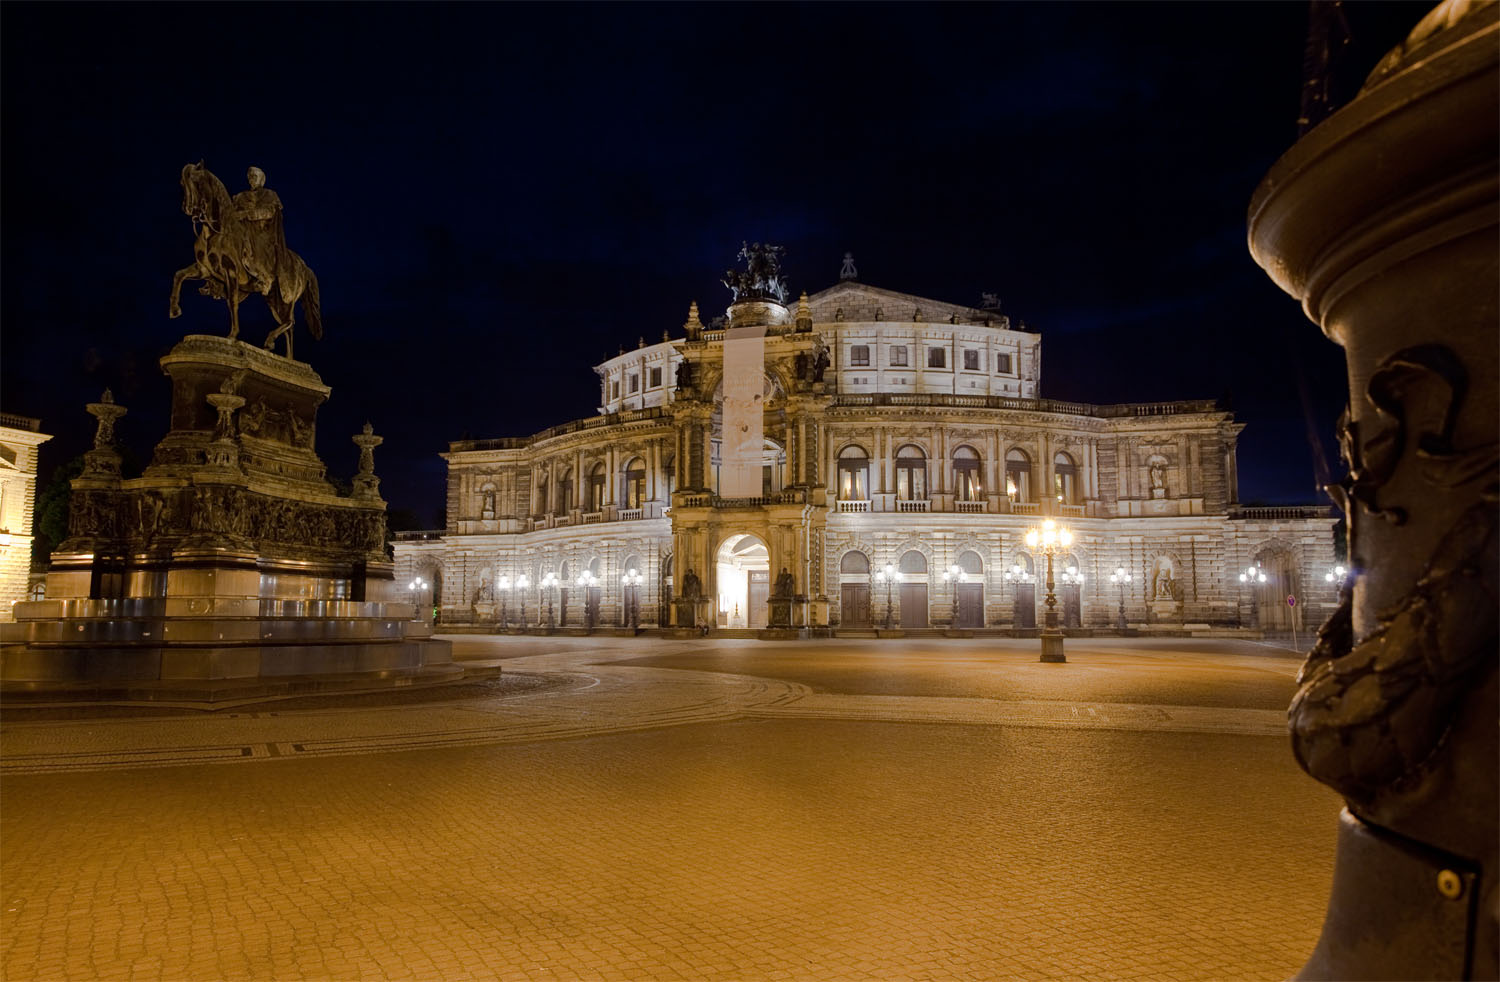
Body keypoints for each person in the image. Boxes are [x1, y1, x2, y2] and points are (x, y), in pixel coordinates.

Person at [231, 166, 289, 295]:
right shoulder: (241, 196)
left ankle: (265, 278)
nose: (252, 180)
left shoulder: (270, 194)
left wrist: (248, 214)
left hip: (262, 231)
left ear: (261, 179)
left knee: (253, 246)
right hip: (242, 229)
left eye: (255, 177)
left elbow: (270, 212)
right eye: (250, 177)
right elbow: (232, 213)